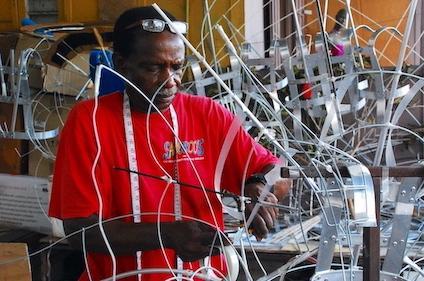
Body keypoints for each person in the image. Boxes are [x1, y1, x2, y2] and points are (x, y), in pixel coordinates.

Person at [48, 6, 281, 281]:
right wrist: (165, 234)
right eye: (154, 67)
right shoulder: (90, 121)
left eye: (176, 67)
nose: (170, 81)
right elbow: (78, 231)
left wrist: (258, 186)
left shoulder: (207, 114)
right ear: (121, 64)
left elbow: (279, 170)